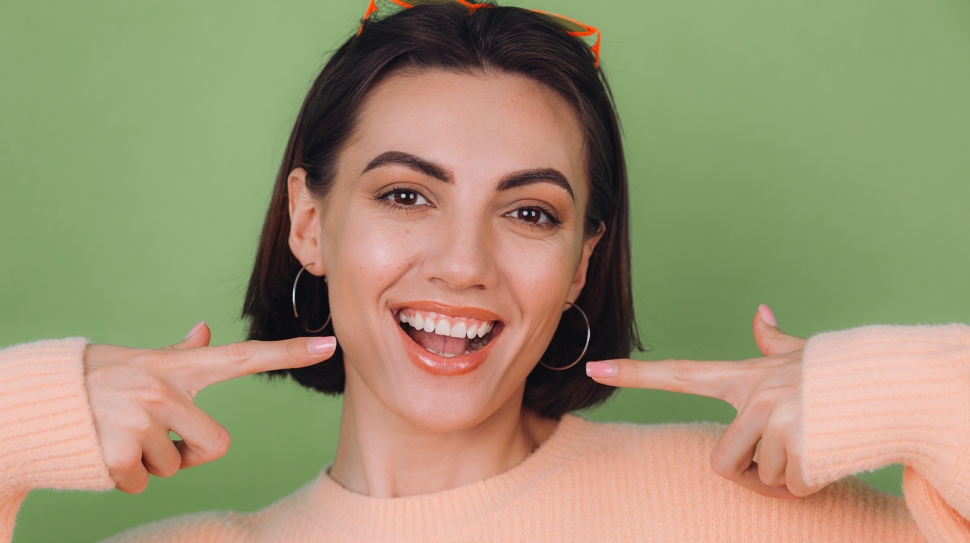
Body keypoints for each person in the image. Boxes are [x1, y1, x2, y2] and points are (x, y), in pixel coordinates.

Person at [1, 1, 968, 541]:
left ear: (583, 259)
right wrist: (19, 416)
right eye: (406, 195)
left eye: (529, 212)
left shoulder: (738, 511)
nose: (463, 264)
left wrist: (904, 391)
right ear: (307, 220)